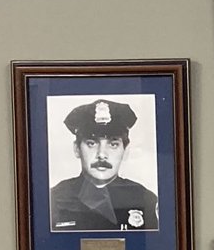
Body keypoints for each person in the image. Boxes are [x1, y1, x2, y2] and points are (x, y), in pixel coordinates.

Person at [50, 99, 159, 231]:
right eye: (91, 143)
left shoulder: (145, 199)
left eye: (113, 144)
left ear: (126, 151)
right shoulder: (54, 199)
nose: (102, 154)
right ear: (77, 149)